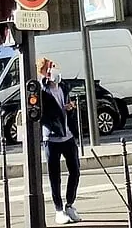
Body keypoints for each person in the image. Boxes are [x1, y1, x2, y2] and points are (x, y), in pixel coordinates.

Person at [37, 57, 81, 225]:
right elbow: (39, 109)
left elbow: (66, 108)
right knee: (55, 176)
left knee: (75, 171)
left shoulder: (63, 87)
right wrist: (43, 80)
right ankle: (58, 210)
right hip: (52, 138)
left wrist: (69, 109)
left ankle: (70, 204)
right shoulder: (43, 89)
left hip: (68, 136)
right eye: (49, 68)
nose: (53, 70)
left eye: (53, 67)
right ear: (43, 72)